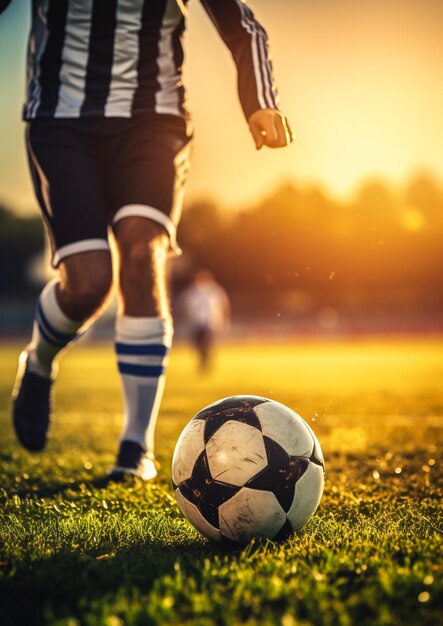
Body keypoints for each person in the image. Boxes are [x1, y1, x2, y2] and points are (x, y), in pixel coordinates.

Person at [4, 0, 293, 481]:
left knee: (143, 256)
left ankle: (136, 447)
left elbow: (238, 21)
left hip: (153, 121)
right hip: (62, 121)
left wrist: (260, 99)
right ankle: (39, 360)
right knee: (89, 283)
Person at [179, 270, 230, 370]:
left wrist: (224, 321)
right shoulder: (191, 292)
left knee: (207, 344)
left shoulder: (215, 291)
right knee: (198, 346)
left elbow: (224, 306)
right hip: (196, 323)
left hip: (210, 323)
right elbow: (184, 307)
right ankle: (202, 363)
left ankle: (207, 363)